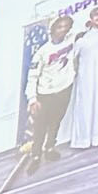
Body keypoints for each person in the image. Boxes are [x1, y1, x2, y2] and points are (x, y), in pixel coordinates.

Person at [24, 15, 79, 173]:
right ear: (53, 29)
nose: (63, 29)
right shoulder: (42, 52)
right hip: (45, 93)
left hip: (64, 89)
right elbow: (32, 76)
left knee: (56, 121)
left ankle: (50, 148)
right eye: (60, 26)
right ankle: (35, 156)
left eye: (66, 26)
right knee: (40, 126)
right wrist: (33, 99)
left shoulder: (71, 39)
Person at [59, 2, 98, 152]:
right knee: (85, 106)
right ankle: (83, 140)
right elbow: (71, 59)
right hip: (85, 79)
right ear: (90, 18)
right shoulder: (81, 39)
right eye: (96, 14)